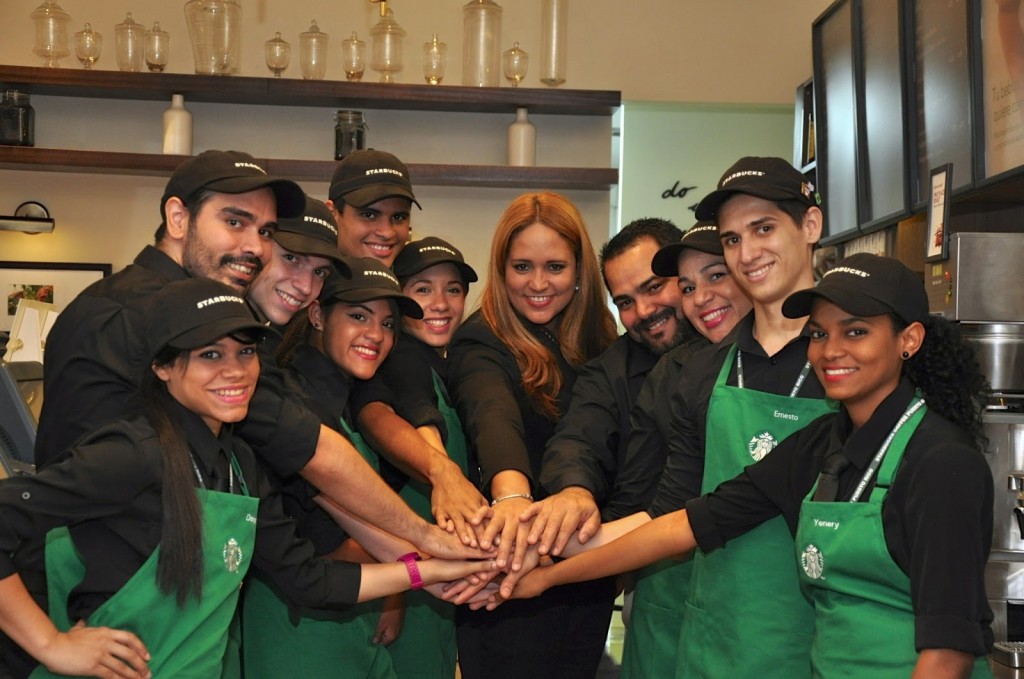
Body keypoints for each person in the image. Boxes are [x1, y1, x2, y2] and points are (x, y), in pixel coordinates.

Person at [505, 254, 995, 679]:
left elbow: (948, 652)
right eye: (820, 334)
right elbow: (686, 524)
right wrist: (548, 578)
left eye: (858, 331)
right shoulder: (821, 445)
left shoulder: (942, 464)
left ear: (908, 339)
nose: (832, 350)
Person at [0, 277, 491, 679]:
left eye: (245, 352)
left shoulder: (239, 465)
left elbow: (309, 580)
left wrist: (429, 571)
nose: (235, 371)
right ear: (164, 367)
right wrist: (52, 644)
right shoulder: (132, 453)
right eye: (210, 355)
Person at [34, 150, 478, 574]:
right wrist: (426, 538)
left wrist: (412, 559)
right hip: (102, 578)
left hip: (163, 566)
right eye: (234, 222)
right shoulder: (147, 312)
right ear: (177, 218)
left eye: (265, 232)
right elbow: (306, 446)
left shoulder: (192, 310)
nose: (254, 248)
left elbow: (284, 462)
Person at [447, 191, 618, 679]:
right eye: (522, 266)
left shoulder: (602, 343)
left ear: (581, 270)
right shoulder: (482, 340)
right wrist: (512, 495)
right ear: (501, 270)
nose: (538, 284)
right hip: (507, 574)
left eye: (555, 267)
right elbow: (491, 413)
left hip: (585, 575)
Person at [243, 257, 429, 678]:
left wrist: (396, 592)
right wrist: (432, 556)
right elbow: (317, 545)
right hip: (300, 632)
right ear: (317, 316)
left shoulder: (354, 402)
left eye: (387, 324)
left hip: (356, 623)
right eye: (359, 316)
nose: (375, 335)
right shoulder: (290, 408)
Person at [603, 220, 753, 679]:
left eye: (715, 276)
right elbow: (653, 499)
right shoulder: (676, 374)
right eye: (689, 285)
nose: (702, 297)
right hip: (669, 590)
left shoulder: (813, 361)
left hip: (767, 602)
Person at [362, 237, 483, 679]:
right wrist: (444, 472)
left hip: (439, 575)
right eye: (422, 288)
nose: (440, 303)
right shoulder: (401, 359)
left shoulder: (448, 364)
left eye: (453, 289)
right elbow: (419, 412)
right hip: (406, 577)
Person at [246, 195, 346, 338]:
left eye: (319, 272)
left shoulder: (251, 342)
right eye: (291, 258)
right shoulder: (208, 335)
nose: (306, 287)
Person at [325, 149, 419, 268]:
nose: (387, 233)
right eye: (369, 215)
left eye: (398, 217)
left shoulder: (417, 281)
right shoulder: (303, 283)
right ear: (332, 214)